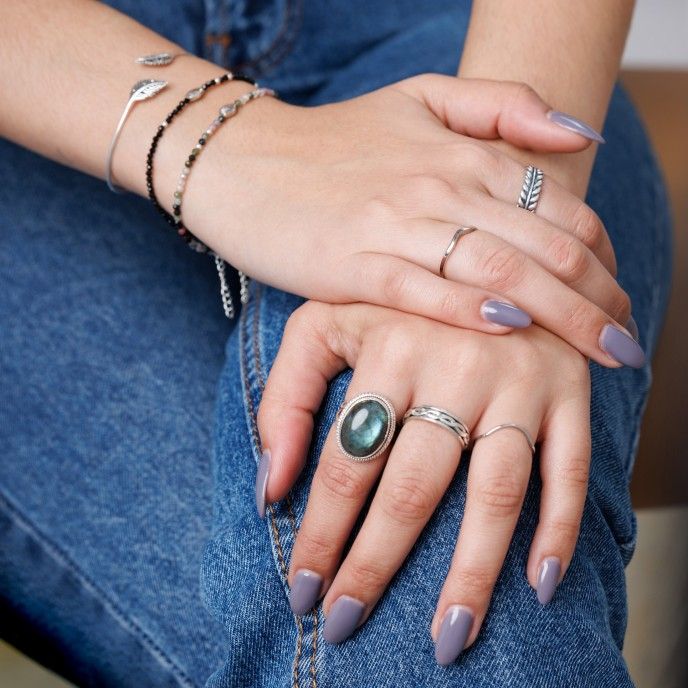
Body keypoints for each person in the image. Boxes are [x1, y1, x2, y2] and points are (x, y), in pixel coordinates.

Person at [0, 1, 671, 686]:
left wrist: (503, 231)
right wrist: (234, 144)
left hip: (478, 48)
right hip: (36, 87)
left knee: (451, 543)